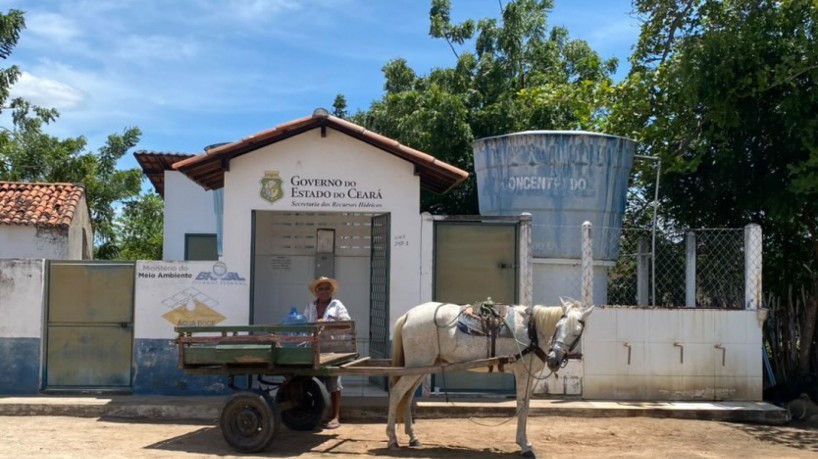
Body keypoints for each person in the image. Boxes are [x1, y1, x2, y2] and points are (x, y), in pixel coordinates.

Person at [303, 276, 350, 430]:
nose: (324, 291)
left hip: (332, 349)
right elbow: (303, 324)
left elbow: (347, 324)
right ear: (316, 291)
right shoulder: (310, 307)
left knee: (333, 384)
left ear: (331, 291)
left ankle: (335, 417)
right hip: (313, 349)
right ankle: (316, 416)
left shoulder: (337, 305)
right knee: (314, 384)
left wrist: (328, 324)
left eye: (327, 289)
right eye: (321, 289)